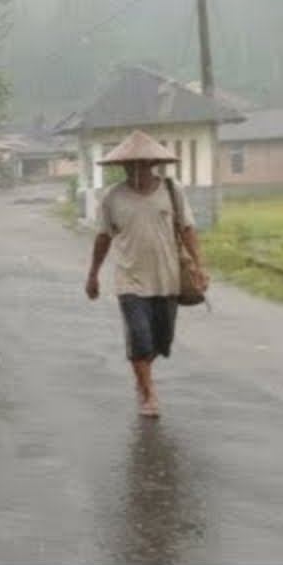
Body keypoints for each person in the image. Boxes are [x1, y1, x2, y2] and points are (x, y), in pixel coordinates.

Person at [85, 130, 208, 418]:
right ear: (123, 166)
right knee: (140, 338)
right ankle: (148, 392)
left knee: (160, 341)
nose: (136, 168)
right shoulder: (112, 198)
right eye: (131, 164)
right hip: (130, 281)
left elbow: (187, 229)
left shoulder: (172, 191)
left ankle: (143, 375)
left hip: (167, 279)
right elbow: (103, 237)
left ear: (153, 163)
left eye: (143, 163)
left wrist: (200, 266)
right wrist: (93, 274)